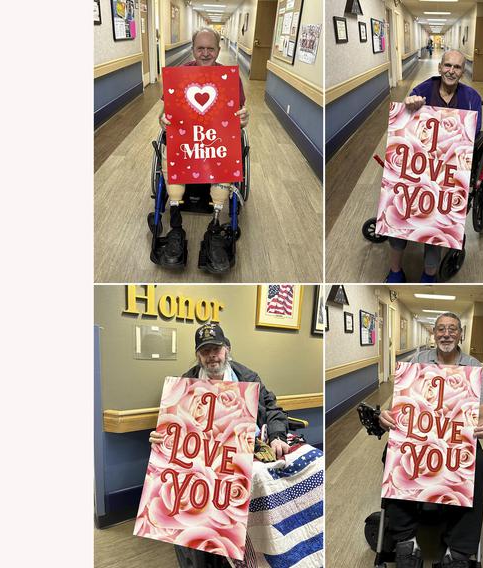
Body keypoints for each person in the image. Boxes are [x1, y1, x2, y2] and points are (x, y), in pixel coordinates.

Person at [148, 322, 290, 568]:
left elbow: (273, 410)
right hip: (204, 459)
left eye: (216, 349)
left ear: (227, 350)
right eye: (205, 351)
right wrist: (163, 438)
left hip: (245, 452)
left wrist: (277, 435)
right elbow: (175, 428)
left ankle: (260, 551)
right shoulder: (186, 383)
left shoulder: (248, 377)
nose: (212, 355)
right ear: (198, 356)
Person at [377, 312, 483, 568]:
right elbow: (399, 405)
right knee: (393, 456)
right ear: (434, 333)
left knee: (479, 466)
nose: (446, 333)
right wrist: (387, 416)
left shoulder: (474, 368)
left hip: (458, 439)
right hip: (420, 436)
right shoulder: (416, 362)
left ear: (461, 334)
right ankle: (407, 541)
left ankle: (459, 552)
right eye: (441, 329)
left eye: (452, 329)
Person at [155, 27, 250, 273]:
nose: (206, 53)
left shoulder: (230, 78)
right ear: (192, 49)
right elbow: (163, 113)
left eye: (210, 48)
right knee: (170, 150)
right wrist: (162, 119)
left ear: (218, 50)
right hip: (186, 141)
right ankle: (175, 227)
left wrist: (243, 117)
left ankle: (216, 227)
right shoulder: (179, 75)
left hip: (215, 141)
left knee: (227, 152)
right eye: (201, 48)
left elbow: (239, 112)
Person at [385, 49, 483, 284]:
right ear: (439, 68)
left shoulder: (471, 97)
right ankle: (395, 270)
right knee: (400, 212)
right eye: (447, 66)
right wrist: (409, 104)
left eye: (457, 67)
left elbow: (473, 135)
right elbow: (405, 126)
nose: (451, 71)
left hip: (449, 170)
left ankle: (429, 274)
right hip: (418, 165)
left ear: (463, 71)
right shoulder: (422, 91)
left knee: (436, 224)